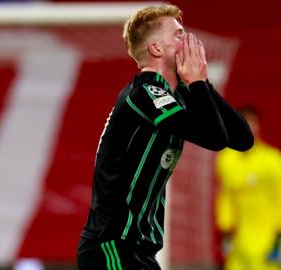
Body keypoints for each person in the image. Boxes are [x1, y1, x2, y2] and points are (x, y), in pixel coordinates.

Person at [77, 4, 254, 270]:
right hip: (111, 247)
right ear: (156, 49)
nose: (189, 41)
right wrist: (197, 82)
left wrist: (200, 84)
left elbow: (242, 140)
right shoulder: (144, 93)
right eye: (179, 35)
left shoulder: (178, 95)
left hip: (140, 251)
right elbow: (214, 140)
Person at [216, 108, 281, 270]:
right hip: (238, 238)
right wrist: (225, 227)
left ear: (258, 126)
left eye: (251, 123)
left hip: (267, 237)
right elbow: (225, 194)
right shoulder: (226, 159)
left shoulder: (271, 160)